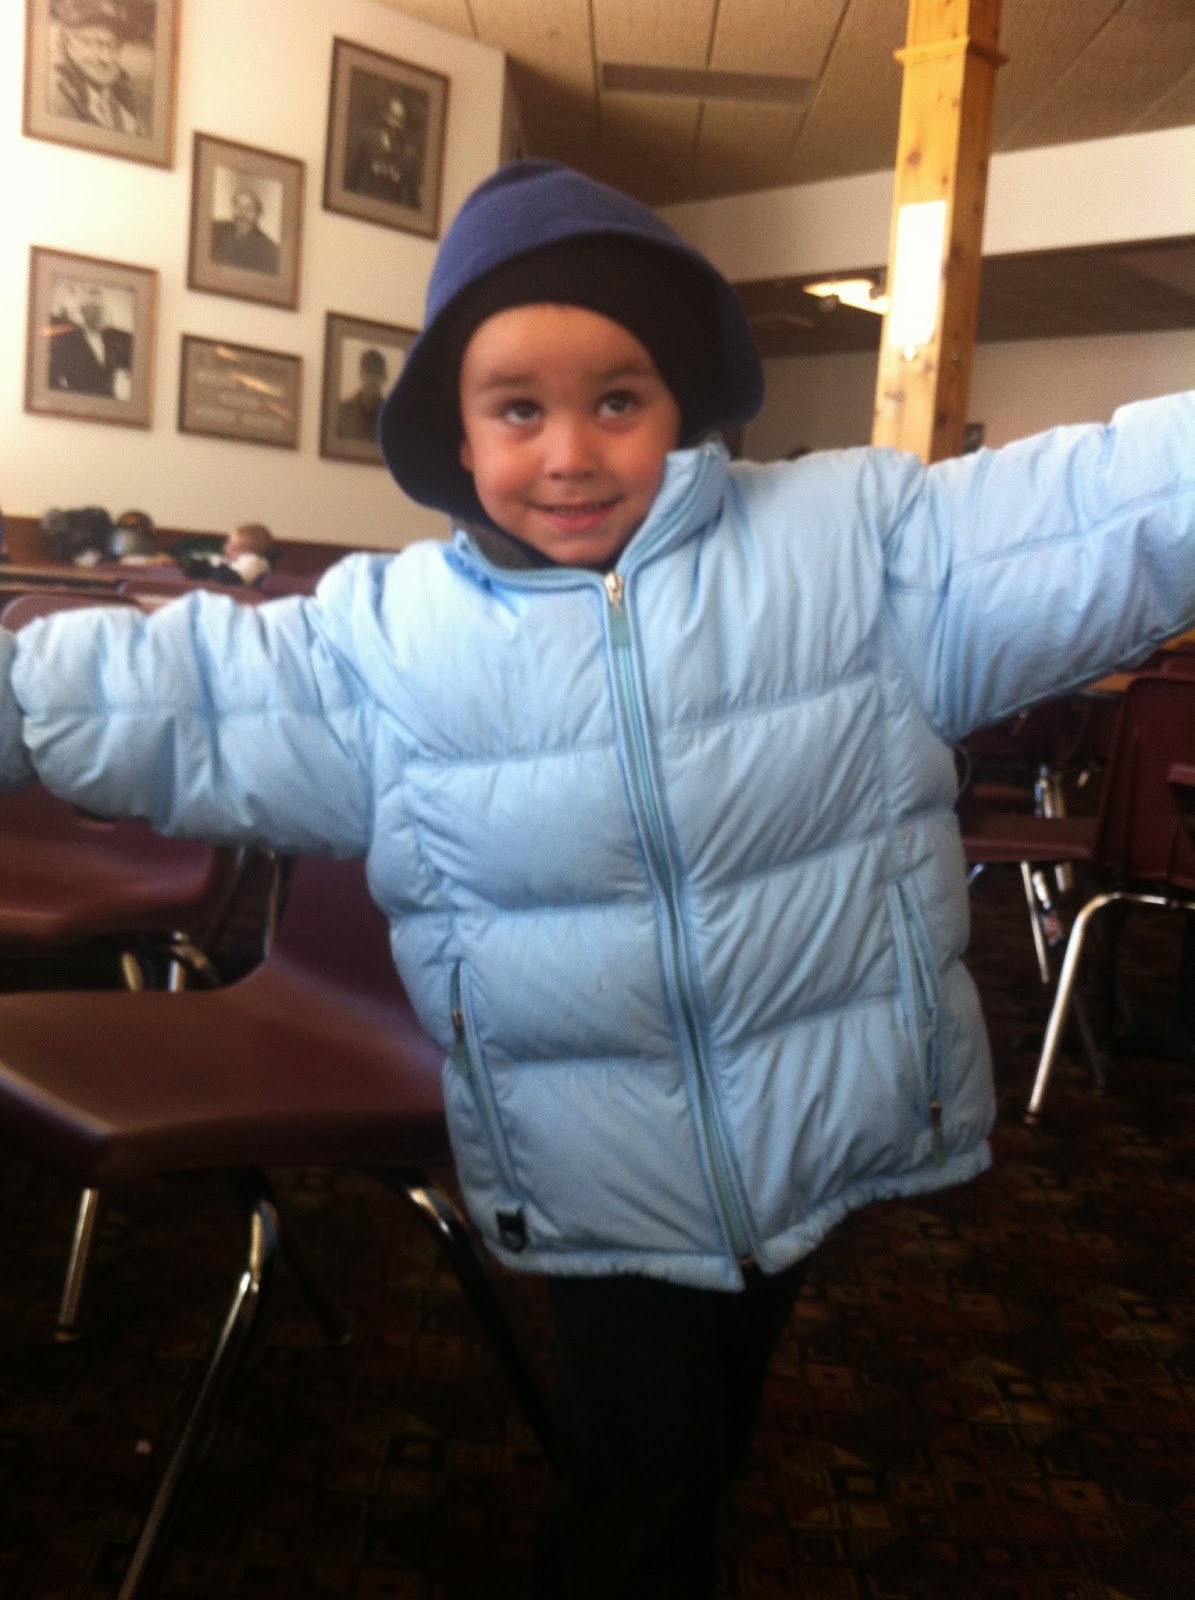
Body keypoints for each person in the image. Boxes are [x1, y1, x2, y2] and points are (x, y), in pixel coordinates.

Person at [2, 159, 1193, 1598]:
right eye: (518, 408)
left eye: (615, 400)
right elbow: (177, 693)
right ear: (455, 433)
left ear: (679, 402)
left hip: (812, 1110)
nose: (568, 452)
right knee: (633, 1499)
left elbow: (1093, 510)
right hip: (591, 1149)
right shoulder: (390, 640)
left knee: (704, 1436)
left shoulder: (848, 548)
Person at [51, 0, 146, 135]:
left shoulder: (123, 94)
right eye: (90, 43)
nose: (105, 58)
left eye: (112, 45)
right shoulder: (57, 98)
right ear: (68, 43)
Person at [47, 282, 133, 397]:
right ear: (84, 312)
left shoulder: (112, 340)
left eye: (102, 310)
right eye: (96, 310)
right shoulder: (68, 342)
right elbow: (52, 378)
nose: (101, 315)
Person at [345, 89, 422, 208]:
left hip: (392, 210)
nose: (395, 125)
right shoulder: (367, 141)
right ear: (385, 115)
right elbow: (351, 178)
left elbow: (414, 198)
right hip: (364, 205)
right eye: (392, 117)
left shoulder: (409, 156)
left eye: (400, 120)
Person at [210, 185, 281, 277]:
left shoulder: (269, 250)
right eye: (238, 206)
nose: (242, 212)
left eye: (248, 208)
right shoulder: (216, 230)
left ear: (257, 213)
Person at [336, 347, 388, 441]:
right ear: (361, 374)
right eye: (369, 372)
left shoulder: (391, 416)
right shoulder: (343, 412)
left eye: (377, 373)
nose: (372, 378)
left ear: (384, 377)